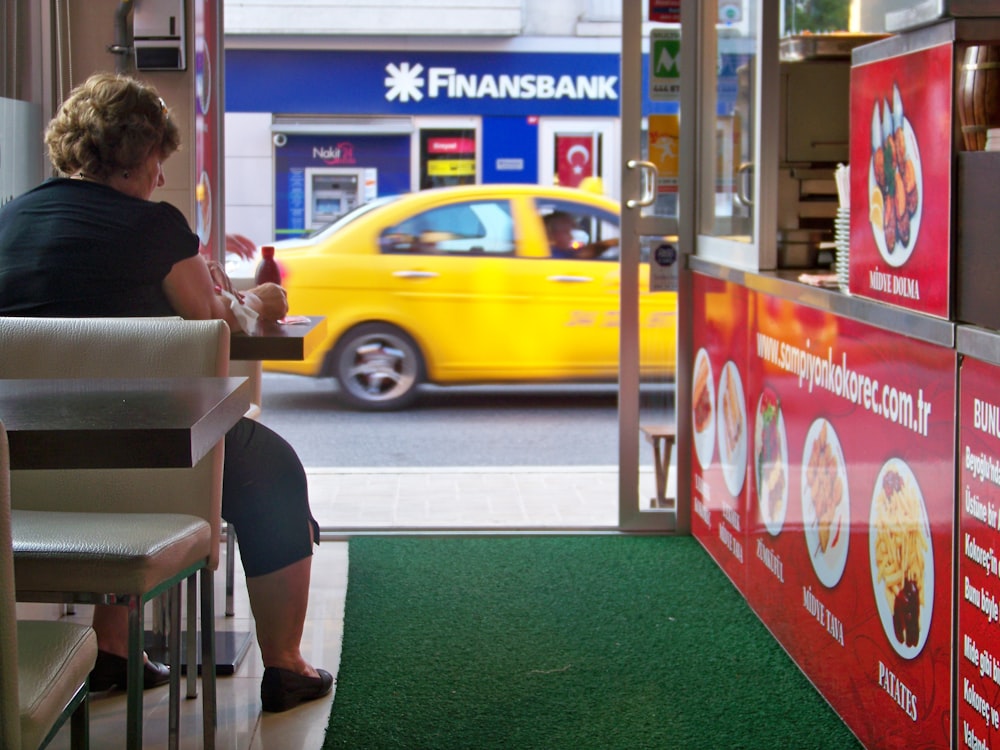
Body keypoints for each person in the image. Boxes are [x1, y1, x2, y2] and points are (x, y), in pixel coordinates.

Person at [0, 72, 331, 713]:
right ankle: (287, 666)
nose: (160, 176)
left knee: (120, 451)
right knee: (272, 470)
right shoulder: (155, 228)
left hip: (23, 466)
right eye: (159, 160)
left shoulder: (10, 219)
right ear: (141, 156)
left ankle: (117, 653)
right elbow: (217, 328)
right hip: (150, 458)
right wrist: (255, 299)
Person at [543, 210, 618, 260]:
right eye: (566, 232)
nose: (571, 237)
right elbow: (582, 254)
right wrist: (608, 244)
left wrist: (608, 243)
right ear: (553, 234)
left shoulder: (561, 251)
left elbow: (584, 251)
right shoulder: (552, 255)